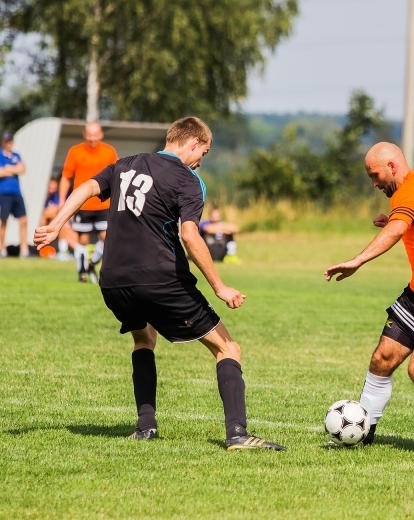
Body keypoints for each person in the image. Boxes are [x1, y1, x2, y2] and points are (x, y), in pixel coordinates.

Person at [34, 116, 284, 451]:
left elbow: (87, 188)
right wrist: (220, 287)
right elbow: (190, 235)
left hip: (113, 280)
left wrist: (55, 225)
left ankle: (145, 427)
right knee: (228, 348)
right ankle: (238, 435)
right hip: (160, 279)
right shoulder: (188, 180)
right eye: (203, 153)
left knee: (144, 338)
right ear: (192, 142)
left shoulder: (124, 164)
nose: (200, 161)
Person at [324, 142, 414, 445]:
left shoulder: (411, 192)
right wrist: (397, 219)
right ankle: (364, 431)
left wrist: (358, 259)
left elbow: (397, 231)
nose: (374, 183)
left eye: (376, 175)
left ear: (393, 166)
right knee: (382, 358)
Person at [59, 121, 119, 282]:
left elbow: (117, 176)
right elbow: (66, 177)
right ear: (84, 135)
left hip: (104, 203)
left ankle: (92, 264)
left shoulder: (109, 151)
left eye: (95, 135)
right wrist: (62, 200)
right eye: (89, 135)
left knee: (106, 237)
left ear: (101, 135)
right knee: (83, 239)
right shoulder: (75, 152)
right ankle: (82, 272)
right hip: (82, 204)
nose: (92, 138)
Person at [0, 131, 29, 258]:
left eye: (10, 141)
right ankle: (2, 248)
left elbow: (22, 169)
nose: (9, 143)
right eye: (7, 141)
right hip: (3, 193)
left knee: (23, 220)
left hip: (17, 193)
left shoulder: (16, 155)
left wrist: (7, 168)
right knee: (4, 220)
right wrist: (13, 169)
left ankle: (24, 249)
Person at [41, 177, 77, 260]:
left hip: (64, 223)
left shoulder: (65, 194)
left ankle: (65, 251)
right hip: (52, 224)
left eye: (53, 188)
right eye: (50, 188)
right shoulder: (49, 196)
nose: (51, 190)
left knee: (63, 223)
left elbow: (59, 210)